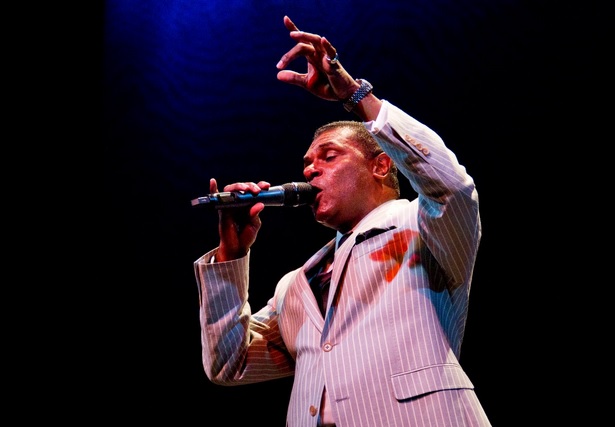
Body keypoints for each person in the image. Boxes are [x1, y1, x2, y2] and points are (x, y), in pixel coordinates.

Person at [193, 15, 491, 427]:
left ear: (381, 165)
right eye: (307, 163)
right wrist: (232, 253)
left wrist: (355, 95)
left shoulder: (423, 226)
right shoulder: (296, 284)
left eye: (329, 156)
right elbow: (229, 363)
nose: (310, 170)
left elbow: (451, 186)